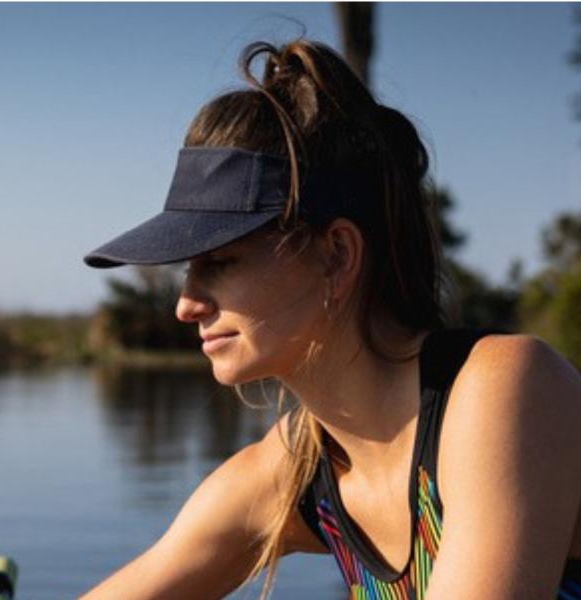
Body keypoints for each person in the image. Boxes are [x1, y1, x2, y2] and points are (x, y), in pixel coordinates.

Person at [81, 39, 581, 600]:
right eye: (188, 269)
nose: (185, 303)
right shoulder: (295, 470)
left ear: (338, 255)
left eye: (220, 262)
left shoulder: (504, 389)